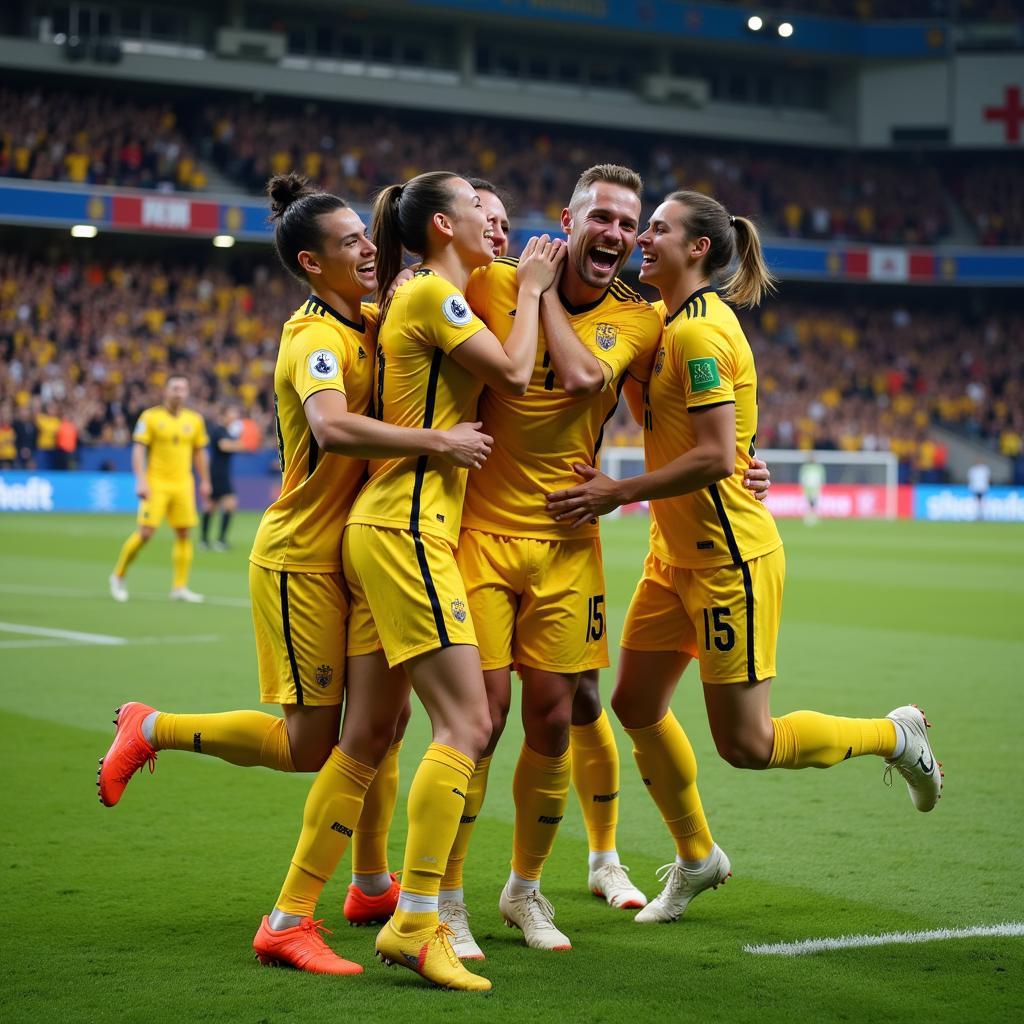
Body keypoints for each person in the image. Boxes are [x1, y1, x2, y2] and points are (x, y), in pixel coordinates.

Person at [96, 174, 492, 976]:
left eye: (366, 236)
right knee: (312, 743)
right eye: (349, 244)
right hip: (303, 557)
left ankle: (370, 885)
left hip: (363, 548)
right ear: (313, 264)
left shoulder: (376, 317)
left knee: (381, 727)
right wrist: (438, 444)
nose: (367, 252)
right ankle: (153, 727)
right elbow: (332, 426)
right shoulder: (310, 334)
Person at [546, 189, 942, 924]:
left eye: (657, 229)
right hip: (674, 557)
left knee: (749, 745)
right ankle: (698, 858)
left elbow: (717, 455)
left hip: (730, 561)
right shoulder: (661, 323)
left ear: (697, 248)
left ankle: (896, 735)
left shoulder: (699, 333)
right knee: (634, 704)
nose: (643, 239)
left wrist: (616, 491)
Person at [109, 376, 212, 603]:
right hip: (156, 483)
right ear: (166, 391)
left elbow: (200, 452)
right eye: (175, 388)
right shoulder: (150, 417)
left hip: (183, 483)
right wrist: (141, 480)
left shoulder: (194, 420)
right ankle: (118, 575)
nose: (179, 392)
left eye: (183, 388)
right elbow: (138, 450)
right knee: (146, 533)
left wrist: (205, 480)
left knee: (184, 532)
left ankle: (179, 587)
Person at [201, 403, 245, 550]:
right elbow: (224, 446)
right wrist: (240, 444)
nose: (235, 418)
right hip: (217, 474)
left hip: (221, 473)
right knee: (225, 504)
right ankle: (217, 541)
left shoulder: (226, 431)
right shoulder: (218, 430)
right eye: (232, 414)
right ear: (224, 415)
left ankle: (206, 541)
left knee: (212, 506)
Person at [799, 454, 825, 525]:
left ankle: (812, 518)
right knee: (809, 504)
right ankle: (809, 518)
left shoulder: (816, 468)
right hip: (809, 489)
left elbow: (821, 480)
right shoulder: (807, 468)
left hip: (814, 489)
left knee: (814, 504)